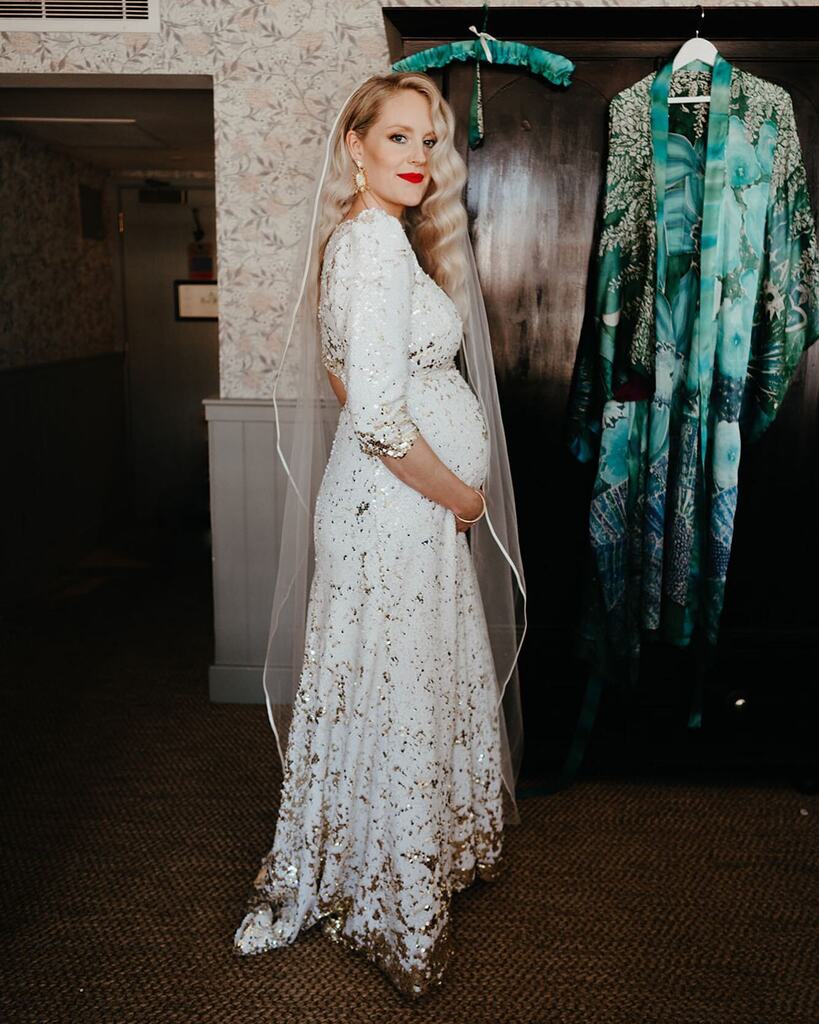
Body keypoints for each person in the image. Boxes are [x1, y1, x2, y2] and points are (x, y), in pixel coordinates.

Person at [233, 72, 526, 999]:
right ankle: (385, 896)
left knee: (391, 683)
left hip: (399, 510)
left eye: (429, 142)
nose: (416, 158)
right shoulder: (369, 247)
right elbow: (378, 424)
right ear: (354, 146)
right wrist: (464, 500)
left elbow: (344, 379)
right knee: (390, 687)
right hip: (396, 509)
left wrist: (441, 490)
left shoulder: (379, 245)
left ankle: (395, 858)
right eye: (397, 138)